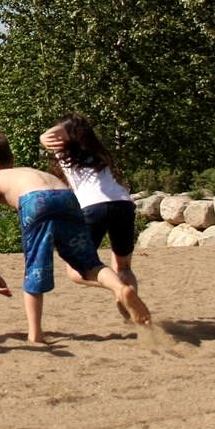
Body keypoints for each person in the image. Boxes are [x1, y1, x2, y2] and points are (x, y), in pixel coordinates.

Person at [0, 130, 150, 344]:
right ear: (11, 159)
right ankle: (120, 288)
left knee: (35, 266)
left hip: (36, 201)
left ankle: (35, 335)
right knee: (87, 262)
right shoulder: (27, 171)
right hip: (65, 195)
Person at [40, 114, 140, 303]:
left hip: (93, 207)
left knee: (76, 271)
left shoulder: (64, 152)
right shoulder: (98, 153)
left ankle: (118, 288)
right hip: (123, 203)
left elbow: (48, 136)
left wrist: (43, 137)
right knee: (124, 267)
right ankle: (136, 317)